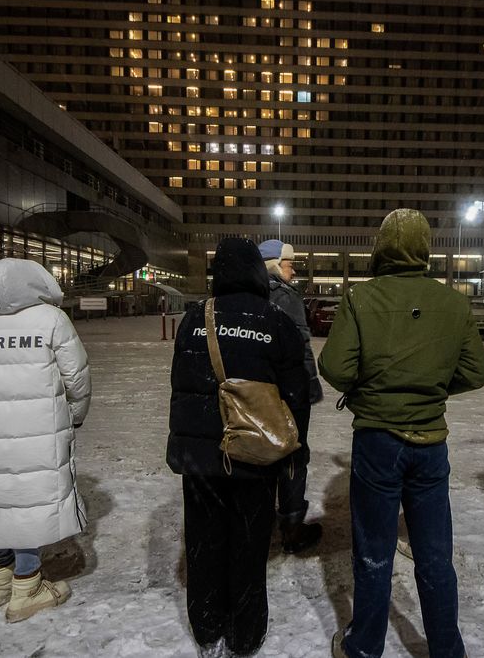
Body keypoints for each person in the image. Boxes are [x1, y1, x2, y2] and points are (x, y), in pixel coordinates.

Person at [319, 209, 484, 658]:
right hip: (431, 443)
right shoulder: (453, 302)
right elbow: (477, 371)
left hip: (377, 440)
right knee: (435, 554)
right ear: (424, 247)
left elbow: (335, 367)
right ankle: (447, 651)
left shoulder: (361, 298)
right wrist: (432, 387)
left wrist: (372, 389)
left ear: (381, 248)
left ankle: (364, 647)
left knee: (374, 552)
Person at [167, 238, 310, 658]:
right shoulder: (275, 321)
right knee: (249, 545)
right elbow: (297, 393)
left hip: (201, 456)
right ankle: (246, 634)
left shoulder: (195, 318)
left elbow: (180, 383)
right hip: (254, 454)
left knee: (203, 541)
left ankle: (207, 627)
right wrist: (292, 446)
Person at [0, 258, 91, 623]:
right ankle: (27, 586)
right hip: (37, 426)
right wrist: (75, 414)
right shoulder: (50, 320)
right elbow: (75, 375)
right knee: (27, 499)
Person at [258, 238, 325, 553]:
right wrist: (310, 386)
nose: (294, 271)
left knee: (260, 455)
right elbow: (300, 348)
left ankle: (260, 522)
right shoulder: (285, 296)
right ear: (273, 265)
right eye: (289, 264)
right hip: (288, 393)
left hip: (256, 393)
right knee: (294, 458)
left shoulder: (250, 295)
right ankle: (292, 528)